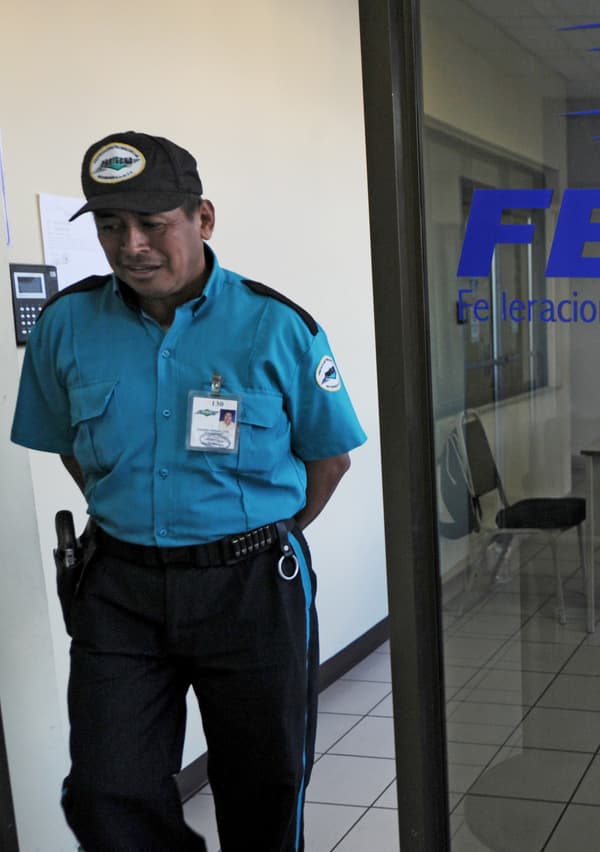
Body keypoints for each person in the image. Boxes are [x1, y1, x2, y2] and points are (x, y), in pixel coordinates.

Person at [10, 132, 367, 850]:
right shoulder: (66, 325)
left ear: (202, 218)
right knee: (107, 790)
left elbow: (329, 459)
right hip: (119, 591)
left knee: (264, 783)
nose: (130, 244)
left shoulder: (276, 326)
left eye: (152, 223)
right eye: (110, 226)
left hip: (252, 587)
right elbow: (72, 448)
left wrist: (259, 536)